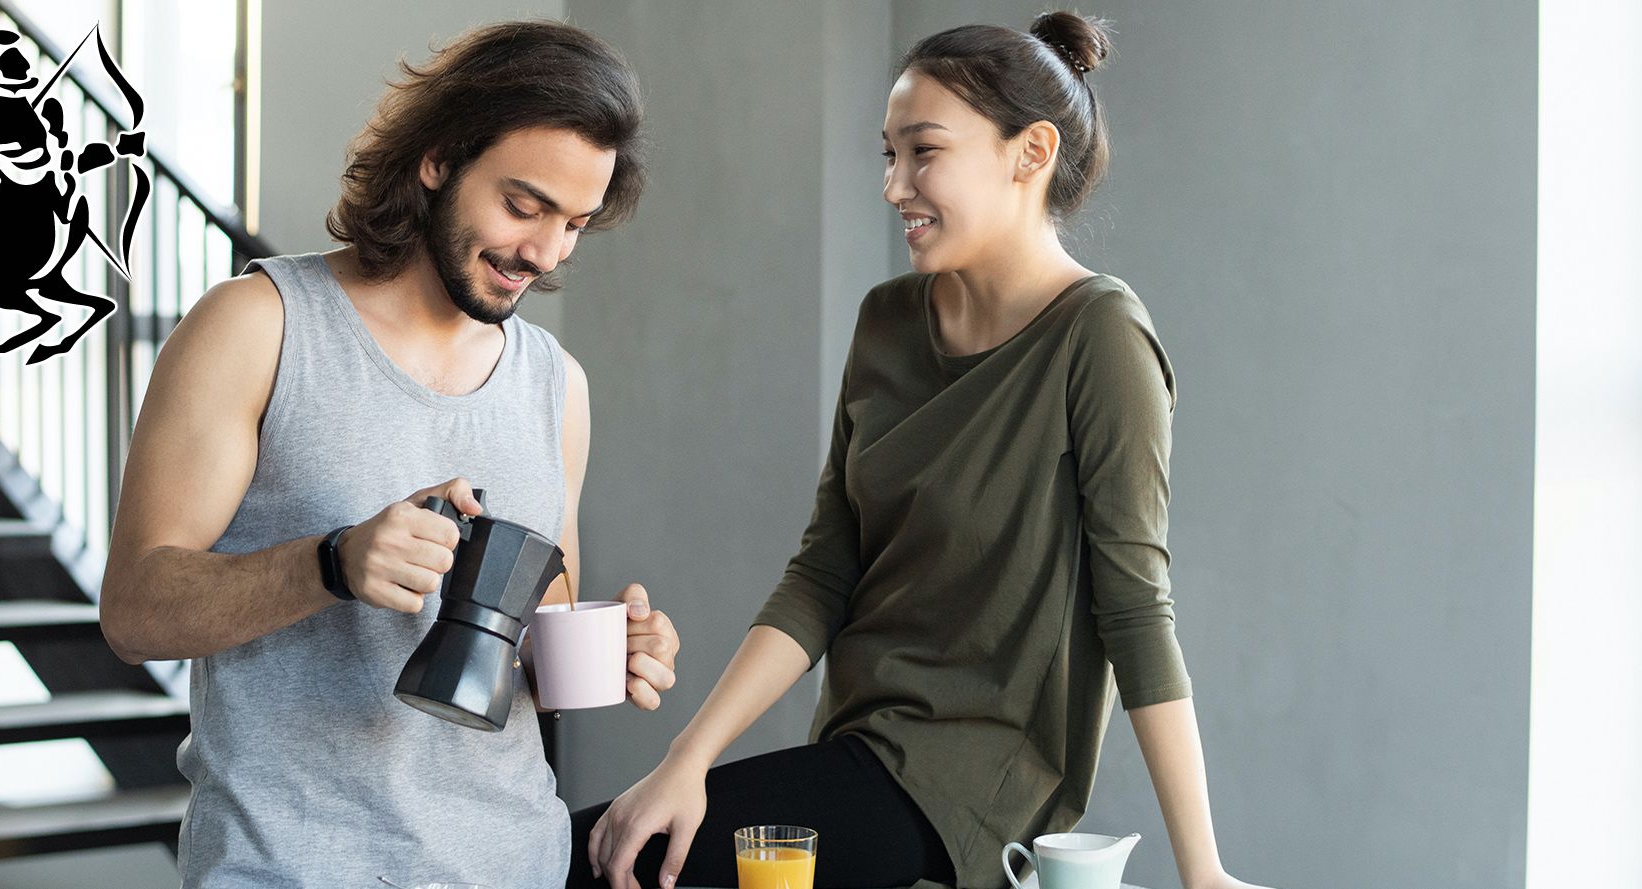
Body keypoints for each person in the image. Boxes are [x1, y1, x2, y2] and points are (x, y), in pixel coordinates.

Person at [574, 14, 1272, 889]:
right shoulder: (887, 322)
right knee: (601, 845)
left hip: (968, 790)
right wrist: (685, 759)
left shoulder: (1099, 336)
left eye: (923, 151)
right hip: (855, 756)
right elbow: (824, 571)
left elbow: (1135, 609)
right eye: (887, 155)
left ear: (1032, 152)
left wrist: (1202, 869)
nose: (894, 184)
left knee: (586, 855)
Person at [98, 21, 680, 887]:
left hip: (512, 863)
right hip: (287, 867)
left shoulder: (558, 386)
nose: (546, 253)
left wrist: (612, 646)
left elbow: (528, 653)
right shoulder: (255, 327)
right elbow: (135, 611)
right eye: (523, 206)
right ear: (438, 158)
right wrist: (332, 562)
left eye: (575, 223)